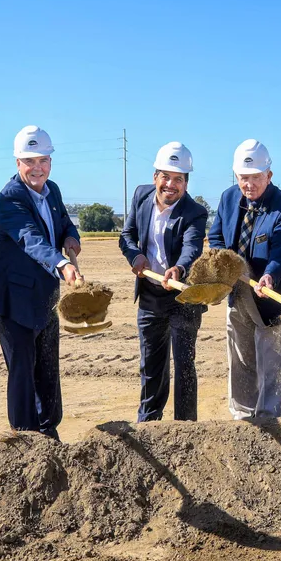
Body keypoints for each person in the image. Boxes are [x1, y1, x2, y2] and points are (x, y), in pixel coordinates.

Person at [0, 126, 81, 438]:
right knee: (23, 370)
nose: (37, 167)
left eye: (43, 160)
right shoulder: (10, 199)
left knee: (48, 368)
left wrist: (71, 237)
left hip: (43, 297)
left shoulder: (52, 191)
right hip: (11, 300)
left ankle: (49, 431)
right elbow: (31, 239)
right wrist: (62, 264)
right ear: (17, 163)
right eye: (30, 161)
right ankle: (24, 437)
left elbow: (63, 222)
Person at [208, 139, 281, 419]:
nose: (248, 185)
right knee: (241, 357)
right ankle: (243, 417)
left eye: (255, 178)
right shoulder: (227, 198)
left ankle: (269, 417)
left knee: (272, 363)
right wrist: (222, 264)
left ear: (268, 175)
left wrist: (270, 274)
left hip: (271, 294)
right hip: (240, 290)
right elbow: (216, 237)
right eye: (243, 178)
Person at [119, 142, 207, 422]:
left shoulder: (195, 212)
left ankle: (185, 427)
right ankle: (148, 423)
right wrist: (134, 256)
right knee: (151, 366)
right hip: (149, 295)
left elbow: (192, 248)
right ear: (155, 176)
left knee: (183, 366)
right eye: (166, 177)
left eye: (178, 179)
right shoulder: (140, 196)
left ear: (186, 183)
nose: (171, 184)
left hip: (182, 299)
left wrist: (179, 269)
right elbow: (127, 235)